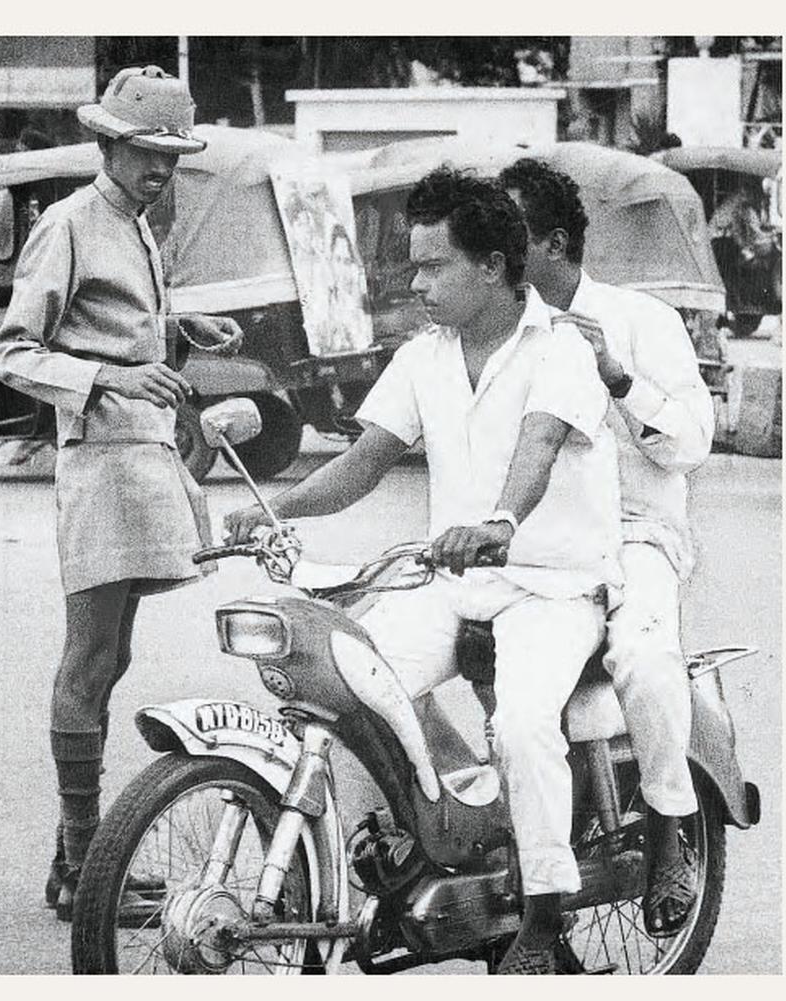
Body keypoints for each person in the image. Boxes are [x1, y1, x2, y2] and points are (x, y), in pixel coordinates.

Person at [225, 168, 622, 974]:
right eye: (414, 265)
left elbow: (538, 448)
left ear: (492, 265)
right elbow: (367, 460)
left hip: (553, 584)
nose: (417, 283)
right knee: (347, 676)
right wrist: (276, 511)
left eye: (434, 266)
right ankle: (431, 839)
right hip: (455, 580)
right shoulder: (423, 356)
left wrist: (500, 523)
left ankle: (543, 913)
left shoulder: (562, 350)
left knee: (520, 722)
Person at [0, 66, 242, 921]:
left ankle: (76, 858)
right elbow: (12, 351)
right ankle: (86, 864)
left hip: (143, 462)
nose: (159, 168)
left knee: (112, 656)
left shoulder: (133, 225)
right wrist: (112, 379)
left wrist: (181, 324)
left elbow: (118, 322)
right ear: (108, 144)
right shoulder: (67, 223)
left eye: (172, 154)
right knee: (88, 657)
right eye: (145, 152)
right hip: (98, 461)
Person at [498, 157, 715, 939]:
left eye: (509, 231)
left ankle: (666, 827)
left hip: (636, 537)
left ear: (553, 243)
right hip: (544, 547)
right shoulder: (501, 328)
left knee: (646, 657)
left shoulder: (640, 320)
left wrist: (619, 380)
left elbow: (690, 443)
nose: (493, 246)